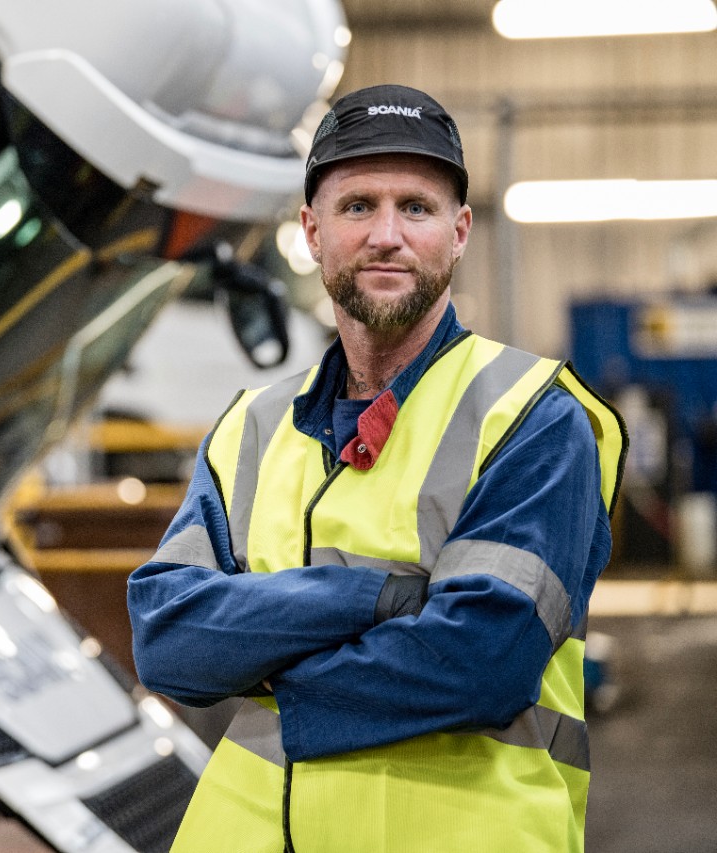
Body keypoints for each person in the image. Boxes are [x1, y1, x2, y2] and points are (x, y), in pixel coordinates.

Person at [127, 84, 628, 853]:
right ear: (312, 230)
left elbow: (479, 661)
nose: (387, 235)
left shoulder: (532, 416)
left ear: (459, 233)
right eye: (358, 206)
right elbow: (168, 639)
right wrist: (381, 596)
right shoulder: (248, 430)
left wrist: (261, 663)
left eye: (416, 208)